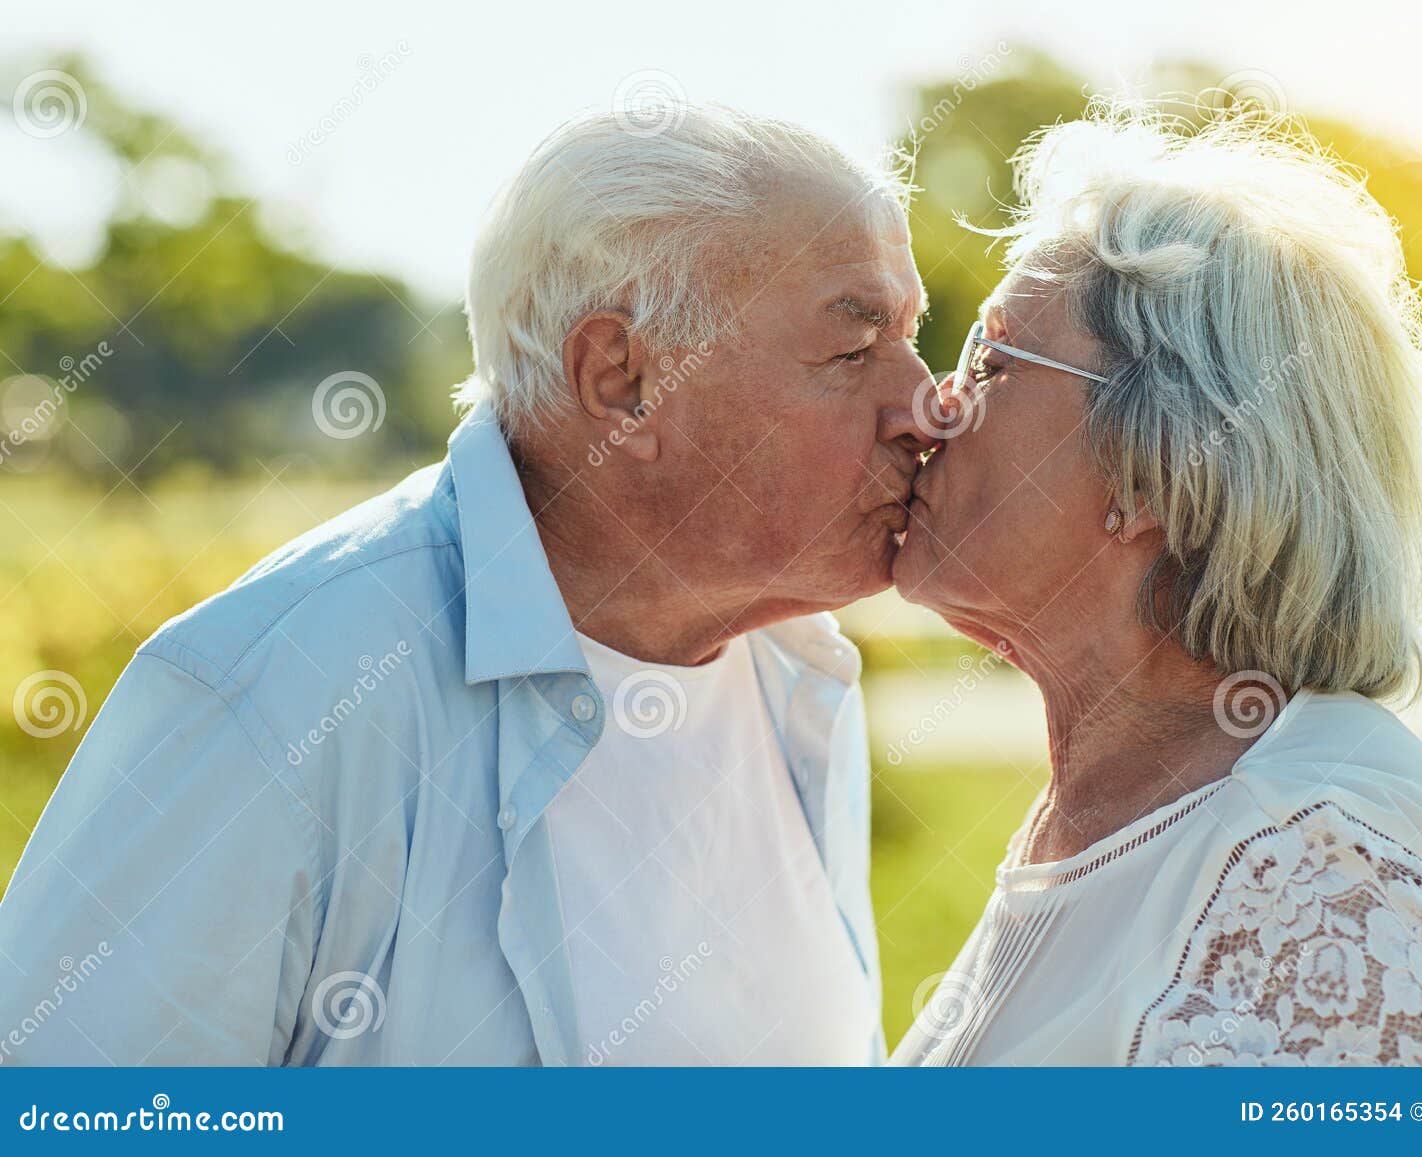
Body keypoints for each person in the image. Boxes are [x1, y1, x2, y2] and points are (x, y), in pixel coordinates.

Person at [0, 104, 934, 1065]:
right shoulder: (269, 693)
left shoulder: (801, 668)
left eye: (913, 338)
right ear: (621, 380)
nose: (927, 405)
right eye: (856, 351)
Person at [890, 107, 1422, 1066]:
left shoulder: (1328, 894)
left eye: (989, 361)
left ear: (1152, 473)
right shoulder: (1134, 807)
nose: (933, 405)